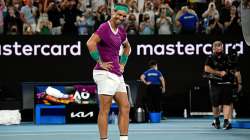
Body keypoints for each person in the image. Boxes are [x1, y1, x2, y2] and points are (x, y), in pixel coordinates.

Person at [86, 3, 131, 140]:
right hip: (104, 73)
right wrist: (100, 62)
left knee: (125, 106)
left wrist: (122, 63)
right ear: (113, 12)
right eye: (119, 14)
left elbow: (127, 48)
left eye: (124, 16)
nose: (121, 17)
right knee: (105, 110)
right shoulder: (104, 27)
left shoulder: (122, 31)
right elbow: (90, 43)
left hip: (117, 74)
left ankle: (124, 139)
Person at [204, 40, 236, 130]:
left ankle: (226, 121)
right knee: (215, 104)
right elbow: (206, 69)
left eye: (220, 46)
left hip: (227, 83)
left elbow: (232, 68)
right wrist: (218, 73)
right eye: (217, 46)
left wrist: (228, 72)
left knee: (227, 102)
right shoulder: (210, 57)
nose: (219, 47)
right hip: (215, 83)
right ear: (213, 48)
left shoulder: (227, 57)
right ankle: (216, 120)